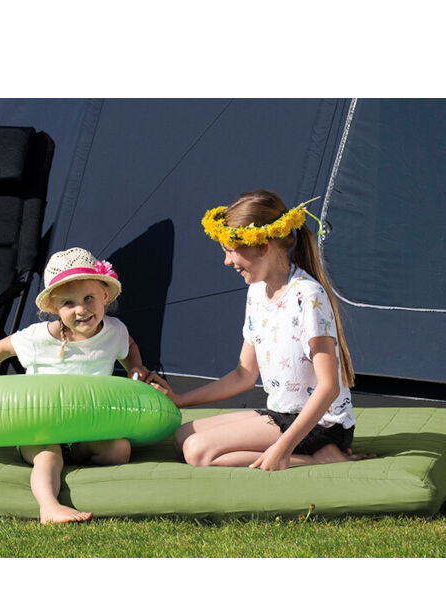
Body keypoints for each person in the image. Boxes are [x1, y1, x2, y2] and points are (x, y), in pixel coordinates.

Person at [147, 189, 359, 471]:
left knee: (197, 452)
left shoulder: (307, 296)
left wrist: (283, 448)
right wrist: (180, 399)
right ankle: (300, 448)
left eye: (231, 251)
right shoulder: (257, 292)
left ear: (263, 246)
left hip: (321, 424)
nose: (227, 261)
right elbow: (244, 375)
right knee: (183, 436)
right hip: (281, 413)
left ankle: (318, 456)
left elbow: (329, 386)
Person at [0, 247, 149, 524]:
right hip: (42, 428)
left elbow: (129, 346)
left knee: (119, 450)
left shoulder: (115, 331)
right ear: (54, 309)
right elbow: (3, 347)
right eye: (68, 303)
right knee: (47, 456)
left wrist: (135, 366)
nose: (81, 309)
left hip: (88, 427)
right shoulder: (40, 338)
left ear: (105, 295)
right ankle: (49, 506)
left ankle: (77, 467)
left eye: (88, 298)